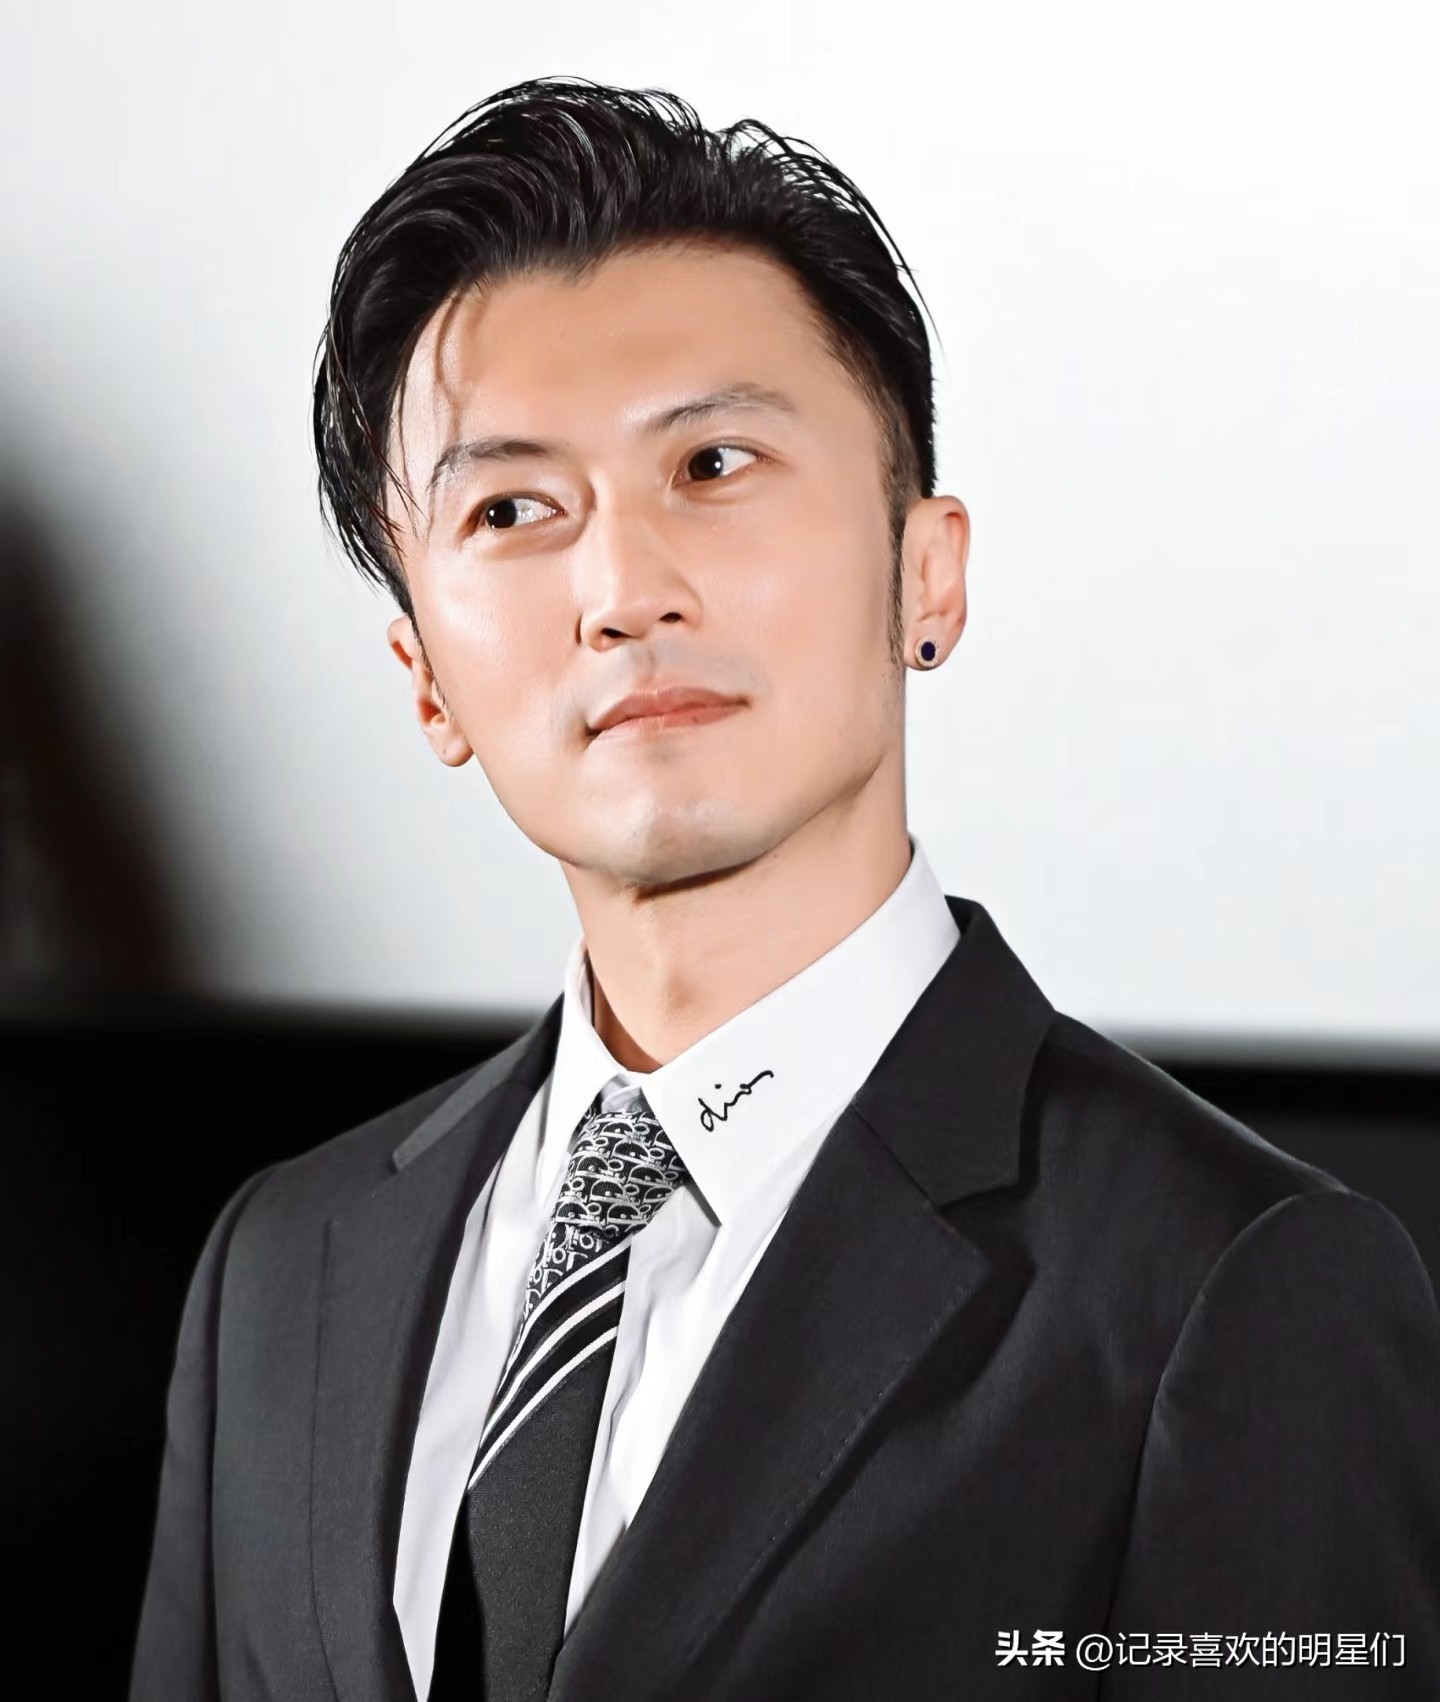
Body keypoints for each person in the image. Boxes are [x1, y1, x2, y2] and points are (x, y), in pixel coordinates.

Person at [129, 75, 1440, 1702]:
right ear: (424, 679)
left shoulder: (1232, 1289)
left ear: (927, 571)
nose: (624, 590)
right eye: (513, 508)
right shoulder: (282, 1270)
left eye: (714, 461)